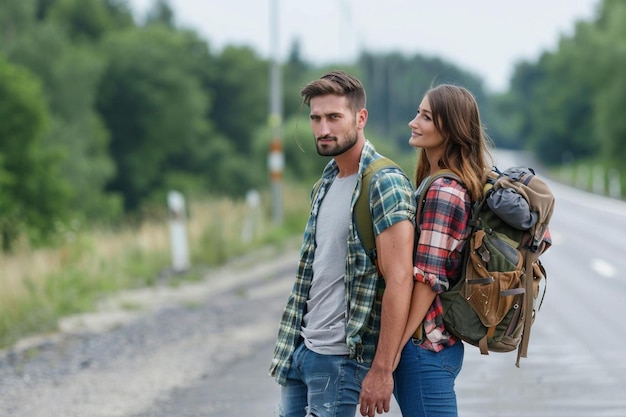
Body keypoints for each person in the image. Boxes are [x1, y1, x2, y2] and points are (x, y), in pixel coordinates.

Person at [269, 70, 416, 417]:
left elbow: (400, 280)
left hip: (340, 359)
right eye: (316, 118)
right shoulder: (325, 183)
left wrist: (381, 369)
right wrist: (296, 347)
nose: (323, 130)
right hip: (300, 348)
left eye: (334, 117)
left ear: (360, 117)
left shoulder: (384, 183)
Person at [392, 84, 493, 417]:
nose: (413, 122)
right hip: (427, 345)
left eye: (425, 117)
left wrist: (394, 347)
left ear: (450, 128)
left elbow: (428, 278)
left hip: (424, 345)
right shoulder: (433, 180)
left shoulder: (445, 191)